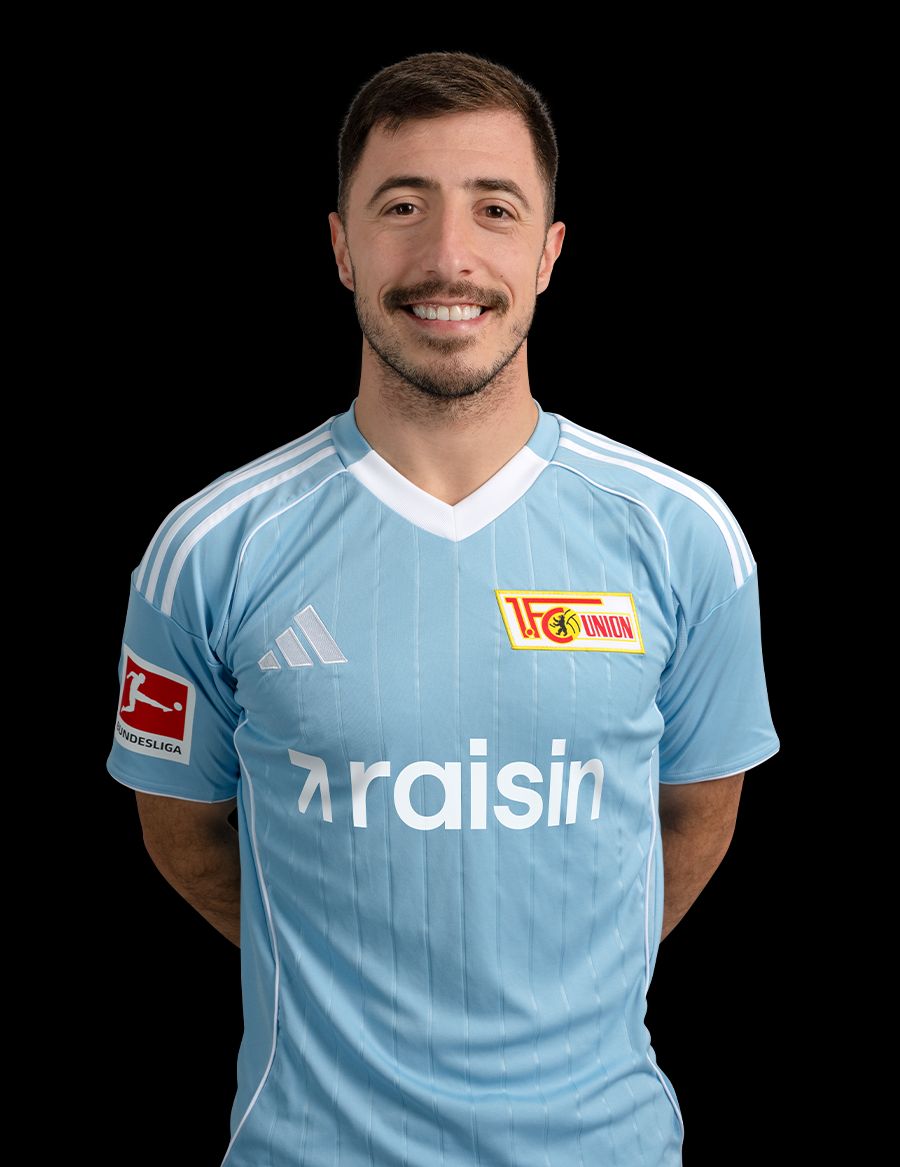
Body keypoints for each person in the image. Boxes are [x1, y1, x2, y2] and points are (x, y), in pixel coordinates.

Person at [107, 50, 779, 1167]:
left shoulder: (682, 535)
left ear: (549, 252)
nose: (448, 257)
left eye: (494, 209)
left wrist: (564, 979)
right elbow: (183, 833)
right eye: (403, 207)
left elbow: (697, 811)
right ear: (341, 247)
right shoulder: (210, 549)